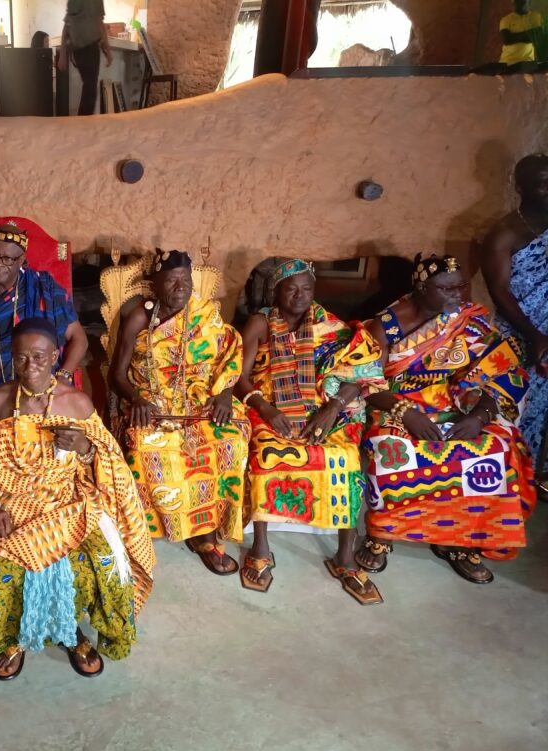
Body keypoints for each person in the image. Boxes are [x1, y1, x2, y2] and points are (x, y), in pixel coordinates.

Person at [0, 318, 155, 681]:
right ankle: (13, 638)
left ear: (55, 356)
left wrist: (84, 446)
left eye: (39, 356)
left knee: (101, 561)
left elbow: (108, 462)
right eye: (21, 357)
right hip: (4, 504)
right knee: (1, 568)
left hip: (67, 502)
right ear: (11, 358)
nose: (30, 365)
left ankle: (70, 630)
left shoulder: (75, 402)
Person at [356, 255, 535, 585]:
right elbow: (367, 382)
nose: (458, 294)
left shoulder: (470, 321)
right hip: (395, 404)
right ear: (422, 288)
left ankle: (459, 539)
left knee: (496, 447)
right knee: (392, 449)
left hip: (453, 399)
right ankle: (382, 534)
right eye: (447, 288)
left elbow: (500, 370)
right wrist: (407, 413)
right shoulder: (387, 326)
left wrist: (479, 416)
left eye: (462, 286)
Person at [235, 259, 387, 604]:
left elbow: (360, 374)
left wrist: (331, 410)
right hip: (268, 404)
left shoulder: (330, 327)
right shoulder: (260, 323)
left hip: (322, 408)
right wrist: (267, 409)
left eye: (306, 288)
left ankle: (345, 554)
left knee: (345, 458)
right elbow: (238, 377)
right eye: (291, 289)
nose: (300, 295)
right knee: (265, 454)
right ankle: (261, 547)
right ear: (276, 292)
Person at [109, 250, 250, 573]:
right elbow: (117, 375)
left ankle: (207, 534)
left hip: (201, 401)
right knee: (146, 451)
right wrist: (136, 399)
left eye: (185, 280)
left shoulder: (206, 315)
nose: (180, 287)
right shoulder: (140, 318)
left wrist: (225, 395)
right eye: (171, 281)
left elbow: (228, 356)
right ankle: (142, 535)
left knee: (229, 442)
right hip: (152, 404)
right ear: (155, 285)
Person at [0, 224, 87, 400]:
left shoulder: (45, 288)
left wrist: (63, 377)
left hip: (46, 389)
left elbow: (79, 338)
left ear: (21, 260)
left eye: (7, 258)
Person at [482, 154, 548, 469]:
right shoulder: (504, 233)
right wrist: (534, 335)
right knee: (519, 407)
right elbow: (499, 292)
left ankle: (537, 473)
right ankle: (513, 476)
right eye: (542, 184)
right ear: (521, 188)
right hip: (521, 331)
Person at [62, 0, 112, 115]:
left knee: (89, 87)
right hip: (88, 47)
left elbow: (67, 26)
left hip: (78, 49)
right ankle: (84, 120)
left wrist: (63, 54)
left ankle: (83, 119)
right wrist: (107, 50)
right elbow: (100, 23)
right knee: (90, 88)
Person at [500, 0, 542, 66]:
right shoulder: (506, 19)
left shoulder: (535, 16)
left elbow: (536, 38)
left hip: (528, 61)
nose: (521, 2)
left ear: (529, 2)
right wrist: (528, 34)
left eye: (524, 0)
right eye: (518, 1)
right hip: (507, 61)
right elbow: (507, 40)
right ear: (513, 3)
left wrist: (514, 37)